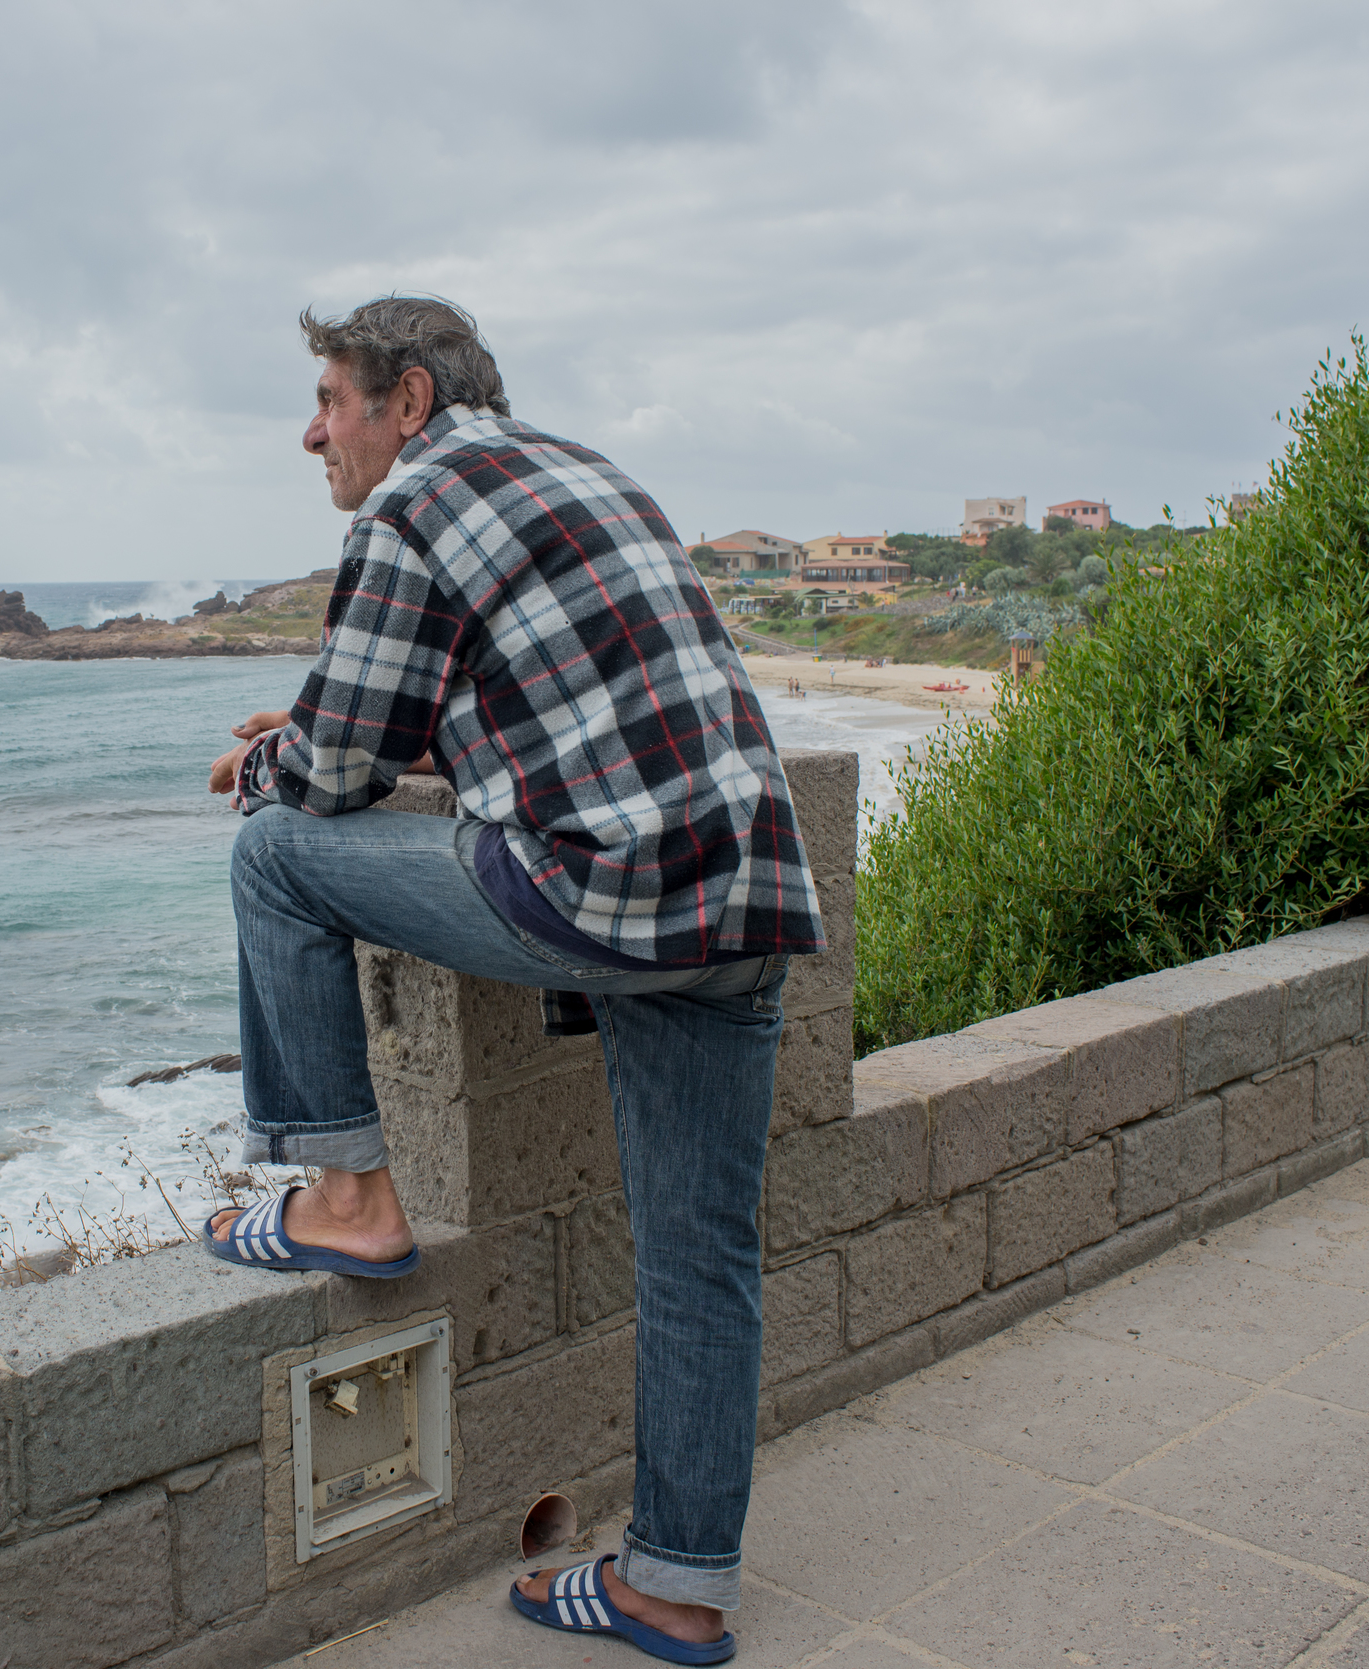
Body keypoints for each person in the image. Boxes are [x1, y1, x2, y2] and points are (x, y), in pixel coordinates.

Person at [203, 296, 825, 1665]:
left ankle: (350, 1194)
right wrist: (322, 729)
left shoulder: (412, 505)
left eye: (331, 399)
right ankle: (677, 1585)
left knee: (274, 857)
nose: (313, 432)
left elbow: (329, 777)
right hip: (751, 895)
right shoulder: (590, 469)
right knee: (702, 1260)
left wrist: (263, 764)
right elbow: (529, 718)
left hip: (608, 895)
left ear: (406, 401)